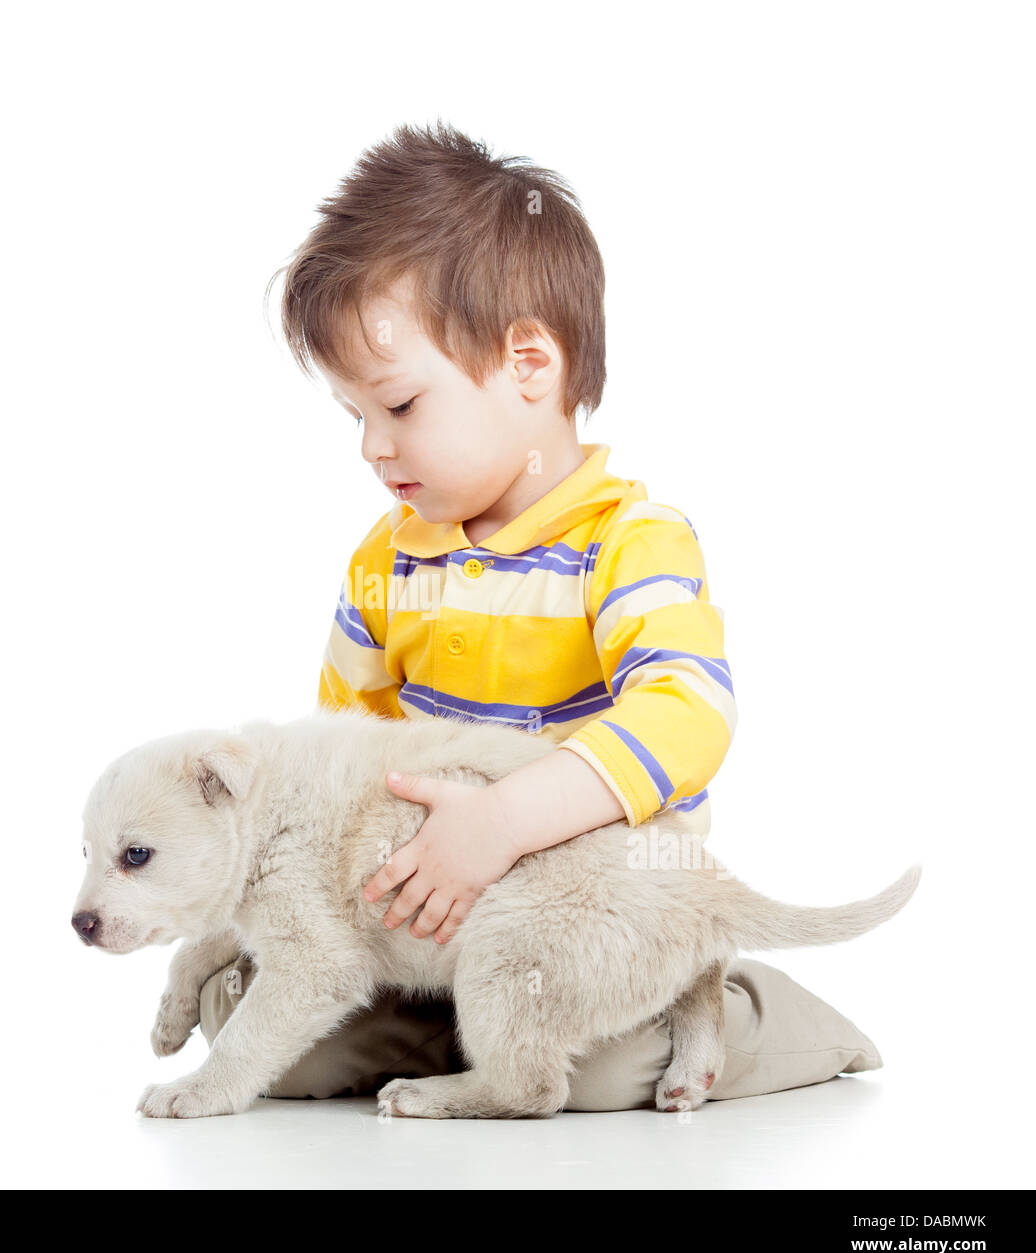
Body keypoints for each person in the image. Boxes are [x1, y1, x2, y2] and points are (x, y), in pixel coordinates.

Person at [199, 121, 881, 1109]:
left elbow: (689, 714)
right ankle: (483, 1032)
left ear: (529, 363)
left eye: (398, 406)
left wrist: (503, 823)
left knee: (603, 1071)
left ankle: (725, 1005)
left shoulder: (629, 543)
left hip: (589, 911)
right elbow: (344, 754)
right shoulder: (385, 562)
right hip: (434, 924)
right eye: (355, 417)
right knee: (269, 1029)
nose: (371, 448)